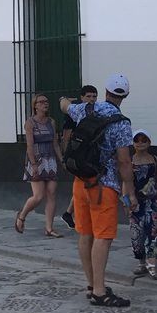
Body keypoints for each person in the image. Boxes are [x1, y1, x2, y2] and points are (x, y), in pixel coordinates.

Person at [60, 75, 137, 308]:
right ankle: (101, 292)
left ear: (105, 91)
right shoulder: (121, 123)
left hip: (80, 182)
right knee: (103, 238)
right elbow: (124, 161)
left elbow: (64, 106)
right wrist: (130, 192)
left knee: (86, 234)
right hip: (104, 186)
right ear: (124, 96)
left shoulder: (86, 109)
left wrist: (65, 100)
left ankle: (92, 284)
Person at [15, 94, 62, 237]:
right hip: (37, 159)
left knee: (52, 193)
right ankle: (22, 215)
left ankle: (49, 228)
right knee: (38, 196)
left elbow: (55, 143)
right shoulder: (30, 123)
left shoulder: (51, 122)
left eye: (46, 101)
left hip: (50, 160)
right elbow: (29, 145)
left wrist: (61, 159)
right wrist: (34, 164)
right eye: (41, 102)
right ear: (35, 106)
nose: (45, 104)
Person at [129, 131, 157, 280]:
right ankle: (142, 262)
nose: (140, 143)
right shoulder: (130, 161)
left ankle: (153, 265)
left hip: (152, 202)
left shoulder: (155, 160)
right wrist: (126, 203)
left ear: (149, 143)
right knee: (137, 235)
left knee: (154, 233)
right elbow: (126, 183)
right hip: (136, 203)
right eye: (137, 141)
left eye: (144, 141)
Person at [61, 85, 97, 228]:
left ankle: (69, 213)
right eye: (88, 96)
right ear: (82, 97)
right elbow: (66, 136)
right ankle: (71, 214)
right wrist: (65, 156)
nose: (91, 99)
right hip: (78, 153)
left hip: (91, 153)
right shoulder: (74, 113)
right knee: (83, 183)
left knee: (84, 184)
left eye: (94, 96)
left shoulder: (97, 112)